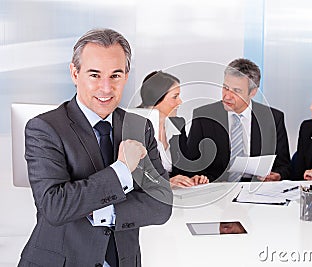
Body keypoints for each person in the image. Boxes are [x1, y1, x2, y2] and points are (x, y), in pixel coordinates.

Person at [18, 28, 172, 267]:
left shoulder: (140, 127)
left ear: (126, 76)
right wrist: (122, 170)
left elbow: (161, 204)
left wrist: (101, 212)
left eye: (115, 76)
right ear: (74, 73)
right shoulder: (44, 128)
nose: (106, 88)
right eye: (94, 75)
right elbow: (55, 207)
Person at [187, 58, 291, 182]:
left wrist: (277, 175)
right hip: (216, 188)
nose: (227, 96)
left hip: (256, 189)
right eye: (225, 88)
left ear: (252, 92)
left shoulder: (273, 119)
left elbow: (285, 167)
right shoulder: (203, 116)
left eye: (236, 91)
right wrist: (199, 177)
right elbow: (191, 164)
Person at [138, 70, 208, 187]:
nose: (180, 102)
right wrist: (165, 183)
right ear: (157, 98)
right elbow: (133, 175)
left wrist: (194, 178)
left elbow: (185, 167)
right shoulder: (134, 125)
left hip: (177, 195)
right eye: (175, 97)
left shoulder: (177, 124)